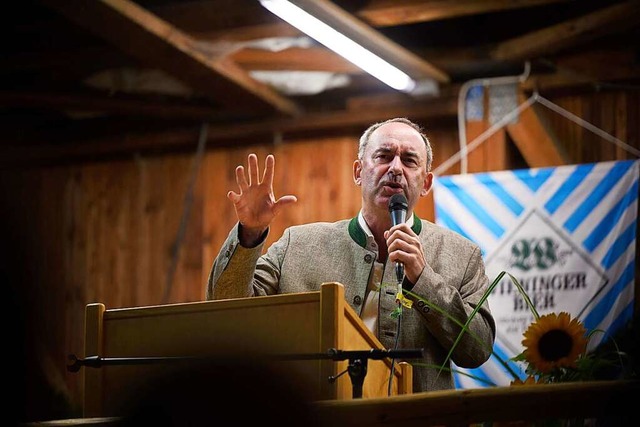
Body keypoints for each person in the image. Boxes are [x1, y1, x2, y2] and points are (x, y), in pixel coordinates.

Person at [206, 117, 495, 393]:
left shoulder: (462, 255)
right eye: (383, 156)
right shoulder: (298, 244)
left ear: (427, 182)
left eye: (409, 160)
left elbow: (477, 350)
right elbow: (227, 311)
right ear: (359, 172)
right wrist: (250, 233)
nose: (395, 168)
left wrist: (423, 278)